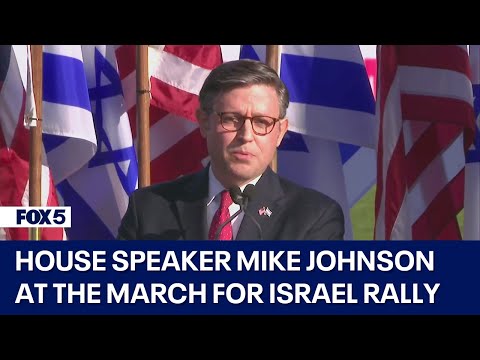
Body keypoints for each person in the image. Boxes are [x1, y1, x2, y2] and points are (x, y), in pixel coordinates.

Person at [117, 59, 344, 240]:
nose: (246, 135)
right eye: (232, 119)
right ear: (204, 122)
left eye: (262, 122)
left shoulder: (314, 216)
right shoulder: (148, 208)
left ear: (280, 132)